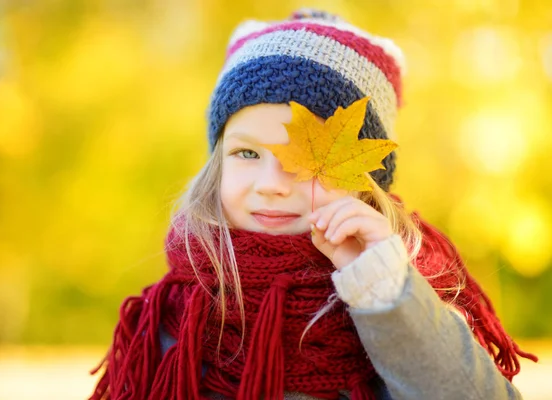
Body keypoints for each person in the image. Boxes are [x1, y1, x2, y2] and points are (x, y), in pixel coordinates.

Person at [89, 8, 537, 400]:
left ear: (364, 180)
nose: (271, 184)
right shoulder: (182, 308)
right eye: (247, 153)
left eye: (303, 160)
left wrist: (382, 284)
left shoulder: (409, 290)